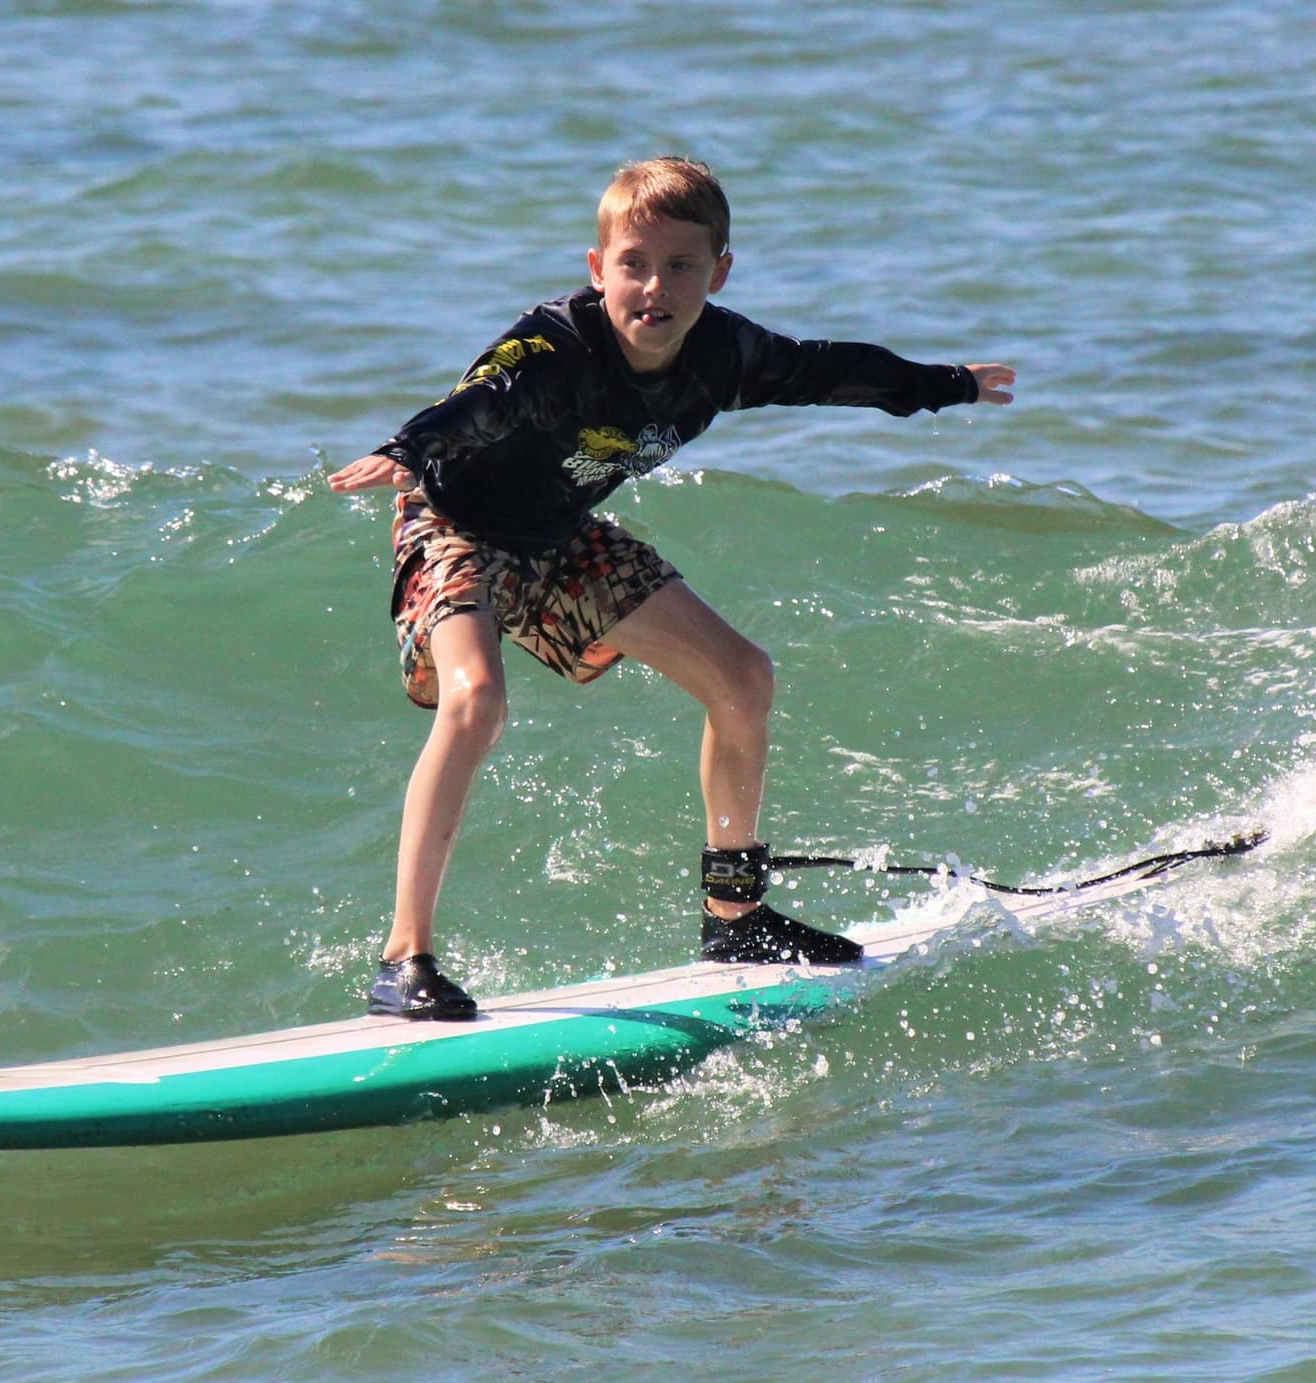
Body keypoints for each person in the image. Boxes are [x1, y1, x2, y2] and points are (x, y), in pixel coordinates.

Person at [329, 157, 1017, 1020]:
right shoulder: (549, 350)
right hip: (454, 520)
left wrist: (944, 385)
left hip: (560, 538)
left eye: (682, 266)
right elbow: (482, 400)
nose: (655, 287)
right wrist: (410, 446)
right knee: (476, 701)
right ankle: (405, 959)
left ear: (718, 272)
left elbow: (823, 369)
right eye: (634, 264)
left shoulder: (723, 352)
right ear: (597, 268)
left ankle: (735, 916)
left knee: (744, 678)